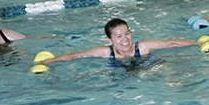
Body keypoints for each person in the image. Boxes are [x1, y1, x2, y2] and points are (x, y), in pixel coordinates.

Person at [41, 18, 198, 69]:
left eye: (127, 33)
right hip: (118, 72)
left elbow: (171, 43)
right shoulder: (105, 52)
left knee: (167, 68)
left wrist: (196, 44)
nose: (125, 39)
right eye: (118, 36)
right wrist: (49, 61)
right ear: (110, 40)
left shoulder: (142, 47)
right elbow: (75, 56)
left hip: (147, 67)